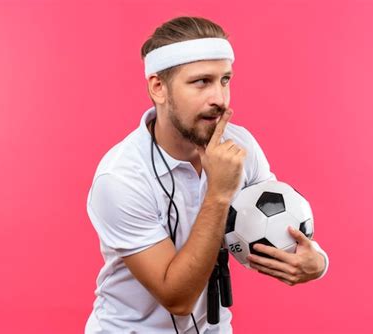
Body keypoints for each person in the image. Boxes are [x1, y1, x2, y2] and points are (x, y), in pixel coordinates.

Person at [85, 16, 329, 334]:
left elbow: (276, 222)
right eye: (201, 82)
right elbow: (177, 299)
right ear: (158, 87)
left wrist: (317, 262)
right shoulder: (120, 178)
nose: (220, 99)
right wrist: (218, 193)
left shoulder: (240, 145)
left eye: (224, 80)